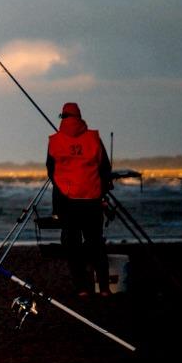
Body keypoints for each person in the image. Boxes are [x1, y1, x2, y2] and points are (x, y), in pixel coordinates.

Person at [46, 101, 112, 296]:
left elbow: (51, 170)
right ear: (79, 117)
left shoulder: (55, 140)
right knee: (96, 244)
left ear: (63, 117)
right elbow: (105, 168)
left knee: (72, 245)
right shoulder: (94, 138)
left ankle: (82, 288)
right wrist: (101, 190)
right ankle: (105, 288)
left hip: (67, 201)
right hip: (92, 198)